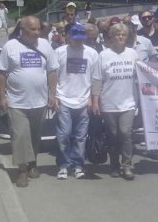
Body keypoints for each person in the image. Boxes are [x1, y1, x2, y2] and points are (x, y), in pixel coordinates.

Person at [0, 15, 59, 188]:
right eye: (33, 29)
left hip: (39, 101)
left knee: (34, 136)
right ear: (22, 30)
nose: (37, 32)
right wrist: (2, 96)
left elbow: (52, 71)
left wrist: (52, 94)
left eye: (39, 28)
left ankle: (33, 163)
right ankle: (22, 170)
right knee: (20, 136)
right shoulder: (10, 46)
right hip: (17, 102)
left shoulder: (45, 45)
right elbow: (1, 73)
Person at [91, 23, 138, 181]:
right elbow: (97, 79)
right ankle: (114, 164)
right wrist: (95, 101)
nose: (120, 37)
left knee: (125, 133)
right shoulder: (104, 56)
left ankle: (127, 165)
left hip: (128, 102)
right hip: (109, 102)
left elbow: (144, 74)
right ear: (111, 37)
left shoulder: (133, 54)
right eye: (117, 34)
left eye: (123, 35)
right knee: (112, 134)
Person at [54, 23, 99, 180]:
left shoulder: (92, 54)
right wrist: (54, 96)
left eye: (81, 39)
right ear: (69, 37)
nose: (78, 42)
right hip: (64, 98)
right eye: (75, 38)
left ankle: (78, 165)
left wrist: (92, 99)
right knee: (64, 134)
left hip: (83, 100)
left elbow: (96, 78)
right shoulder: (59, 52)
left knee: (80, 136)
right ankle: (63, 165)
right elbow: (54, 76)